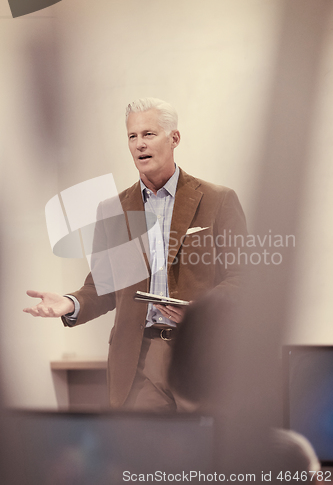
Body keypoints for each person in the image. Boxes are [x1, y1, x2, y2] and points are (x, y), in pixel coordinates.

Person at [24, 97, 247, 412]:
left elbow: (242, 279)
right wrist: (70, 303)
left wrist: (202, 312)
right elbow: (103, 286)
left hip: (200, 352)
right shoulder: (113, 210)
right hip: (138, 359)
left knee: (205, 454)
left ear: (174, 139)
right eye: (132, 136)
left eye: (149, 134)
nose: (139, 144)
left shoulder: (217, 200)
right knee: (145, 456)